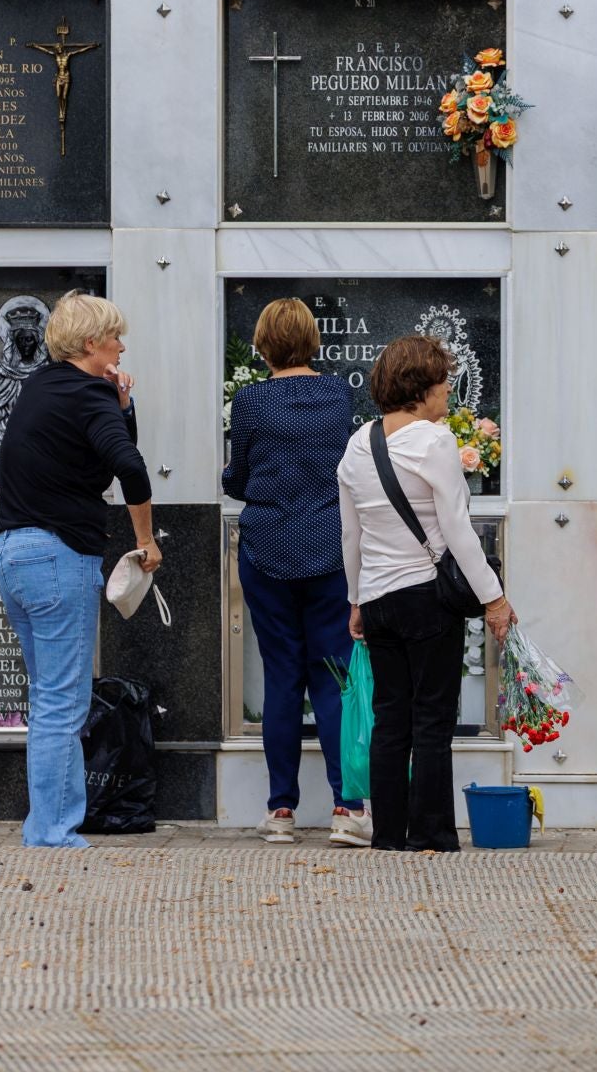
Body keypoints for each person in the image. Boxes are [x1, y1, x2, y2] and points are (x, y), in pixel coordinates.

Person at [0, 291, 160, 848]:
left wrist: (122, 405)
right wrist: (144, 539)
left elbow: (104, 445)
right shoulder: (89, 394)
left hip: (12, 553)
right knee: (64, 704)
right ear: (92, 344)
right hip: (57, 556)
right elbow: (129, 468)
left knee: (49, 699)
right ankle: (53, 833)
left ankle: (46, 824)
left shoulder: (42, 385)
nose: (121, 344)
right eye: (114, 337)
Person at [338, 335, 516, 852]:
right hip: (426, 597)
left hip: (377, 599)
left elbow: (351, 533)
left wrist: (355, 599)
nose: (449, 395)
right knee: (432, 719)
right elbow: (457, 530)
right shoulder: (433, 441)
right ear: (421, 389)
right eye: (444, 384)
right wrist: (495, 599)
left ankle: (388, 835)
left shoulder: (358, 443)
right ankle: (433, 834)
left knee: (390, 718)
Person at [223, 299, 369, 847]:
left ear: (262, 345)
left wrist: (237, 476)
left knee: (283, 677)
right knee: (334, 677)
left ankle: (280, 811)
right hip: (331, 549)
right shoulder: (338, 396)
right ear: (312, 341)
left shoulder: (252, 401)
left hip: (267, 551)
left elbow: (237, 480)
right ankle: (347, 808)